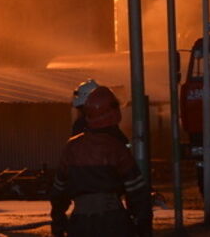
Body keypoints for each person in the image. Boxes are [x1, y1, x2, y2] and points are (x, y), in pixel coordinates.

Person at [50, 86, 151, 237]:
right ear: (112, 113)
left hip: (80, 223)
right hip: (113, 222)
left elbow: (58, 192)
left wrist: (58, 225)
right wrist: (143, 227)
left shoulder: (71, 147)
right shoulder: (117, 148)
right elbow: (137, 192)